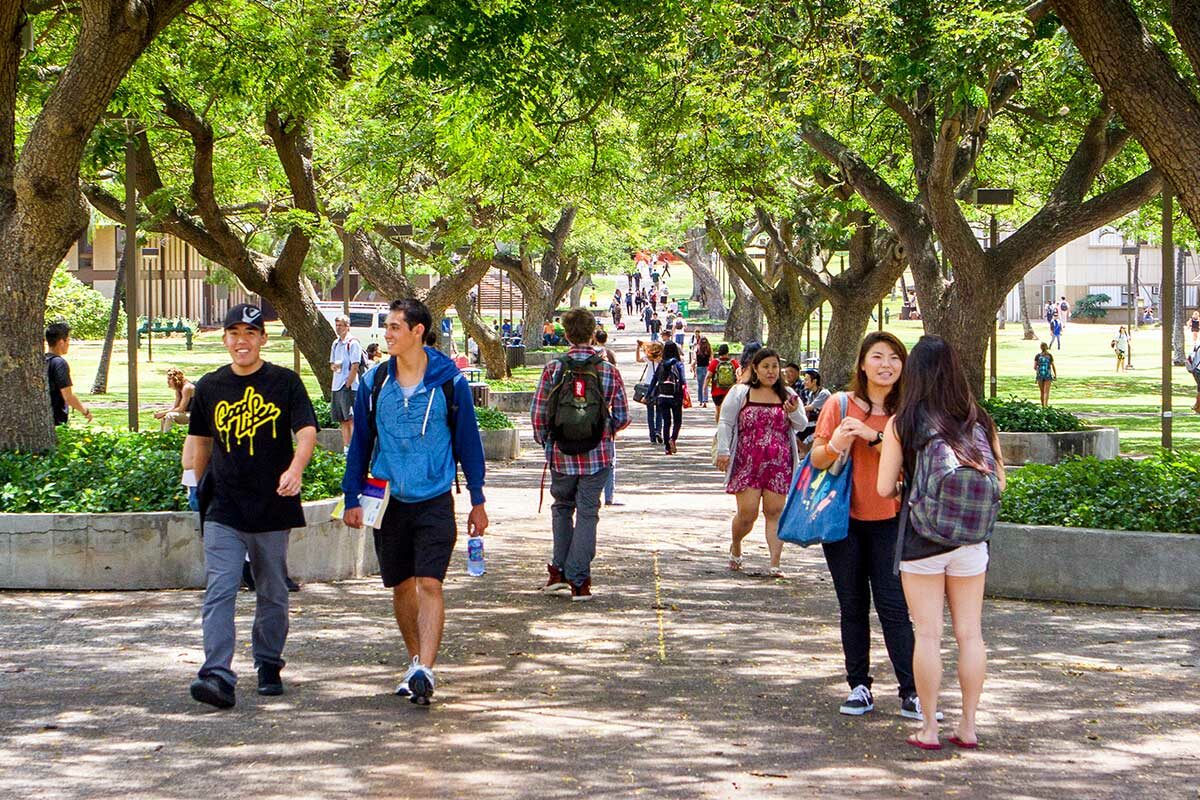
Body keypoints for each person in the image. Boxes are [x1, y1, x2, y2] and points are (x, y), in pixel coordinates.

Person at [342, 298, 489, 705]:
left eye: (394, 327)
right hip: (388, 499)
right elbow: (361, 445)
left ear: (417, 332)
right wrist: (351, 494)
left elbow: (469, 444)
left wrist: (477, 499)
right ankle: (413, 663)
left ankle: (426, 666)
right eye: (386, 327)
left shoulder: (448, 382)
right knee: (402, 585)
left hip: (435, 498)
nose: (386, 334)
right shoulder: (374, 384)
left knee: (430, 582)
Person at [877, 334, 1006, 751]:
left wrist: (909, 487)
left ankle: (929, 727)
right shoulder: (979, 419)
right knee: (971, 634)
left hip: (921, 540)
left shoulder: (904, 422)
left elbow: (883, 489)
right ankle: (968, 726)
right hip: (971, 541)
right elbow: (1000, 483)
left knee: (928, 634)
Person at [185, 304, 318, 709]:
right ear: (224, 338)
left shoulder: (285, 382)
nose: (241, 341)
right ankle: (217, 673)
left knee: (272, 590)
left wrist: (296, 469)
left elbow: (307, 431)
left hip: (272, 504)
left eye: (250, 332)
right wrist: (193, 485)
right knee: (220, 588)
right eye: (234, 333)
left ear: (262, 338)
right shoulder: (210, 386)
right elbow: (200, 442)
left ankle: (268, 663)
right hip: (224, 506)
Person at [811, 332, 924, 721]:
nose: (886, 365)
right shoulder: (839, 405)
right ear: (862, 363)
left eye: (894, 358)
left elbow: (916, 464)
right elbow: (818, 459)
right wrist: (838, 442)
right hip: (843, 521)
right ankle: (859, 685)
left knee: (895, 607)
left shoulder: (910, 411)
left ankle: (912, 691)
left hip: (892, 521)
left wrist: (875, 437)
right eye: (877, 356)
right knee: (853, 605)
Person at [531, 307, 630, 600]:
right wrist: (603, 429)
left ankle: (559, 571)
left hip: (560, 453)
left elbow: (538, 413)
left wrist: (547, 440)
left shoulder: (553, 368)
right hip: (597, 455)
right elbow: (622, 415)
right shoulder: (607, 370)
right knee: (588, 511)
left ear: (566, 333)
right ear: (592, 333)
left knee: (562, 507)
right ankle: (579, 579)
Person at [714, 348, 808, 577]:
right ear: (755, 369)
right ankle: (736, 544)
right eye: (766, 366)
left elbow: (802, 425)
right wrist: (724, 452)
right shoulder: (740, 393)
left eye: (775, 366)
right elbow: (725, 422)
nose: (771, 371)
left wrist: (794, 412)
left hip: (778, 462)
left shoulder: (787, 395)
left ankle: (775, 562)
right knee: (748, 514)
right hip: (747, 461)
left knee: (775, 512)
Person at [44, 322, 92, 426]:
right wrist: (85, 411)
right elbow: (68, 396)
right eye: (68, 341)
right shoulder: (59, 363)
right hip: (56, 420)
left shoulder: (42, 360)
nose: (68, 344)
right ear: (61, 342)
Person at [328, 314, 362, 451]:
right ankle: (346, 449)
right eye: (336, 325)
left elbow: (355, 365)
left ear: (347, 326)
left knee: (350, 418)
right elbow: (332, 363)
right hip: (336, 385)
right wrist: (334, 367)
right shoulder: (335, 343)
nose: (338, 328)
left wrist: (348, 383)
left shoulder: (353, 343)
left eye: (340, 325)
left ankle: (354, 449)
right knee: (342, 419)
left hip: (348, 386)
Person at [648, 341, 686, 455]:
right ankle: (673, 439)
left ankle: (667, 448)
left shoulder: (661, 364)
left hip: (662, 396)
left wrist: (649, 394)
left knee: (667, 422)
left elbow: (653, 381)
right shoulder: (678, 364)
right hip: (676, 396)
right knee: (677, 421)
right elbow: (683, 381)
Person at [636, 340, 664, 443]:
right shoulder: (662, 360)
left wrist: (638, 348)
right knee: (660, 411)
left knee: (650, 413)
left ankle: (652, 436)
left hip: (649, 386)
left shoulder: (649, 359)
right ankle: (658, 431)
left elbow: (638, 359)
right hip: (659, 386)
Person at [707, 344, 741, 422]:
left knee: (718, 411)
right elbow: (739, 375)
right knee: (729, 411)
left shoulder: (714, 362)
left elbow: (708, 376)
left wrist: (704, 388)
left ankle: (719, 429)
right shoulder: (733, 362)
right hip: (730, 391)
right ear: (727, 352)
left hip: (717, 391)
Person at [155, 368, 195, 432]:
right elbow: (175, 407)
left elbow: (181, 409)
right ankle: (161, 438)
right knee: (164, 417)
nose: (168, 382)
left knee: (170, 416)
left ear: (176, 379)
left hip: (195, 415)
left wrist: (163, 413)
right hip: (186, 413)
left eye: (169, 379)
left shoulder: (187, 388)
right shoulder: (178, 388)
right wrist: (163, 413)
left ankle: (167, 437)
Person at [693, 336, 713, 407]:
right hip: (707, 368)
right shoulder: (709, 348)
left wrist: (693, 367)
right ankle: (705, 400)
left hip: (699, 368)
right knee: (705, 385)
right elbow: (711, 359)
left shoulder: (697, 348)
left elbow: (695, 359)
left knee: (700, 385)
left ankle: (700, 400)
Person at [1034, 343, 1056, 407]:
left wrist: (1038, 370)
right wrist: (1055, 375)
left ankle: (1042, 406)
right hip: (1048, 375)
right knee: (1046, 392)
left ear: (1040, 348)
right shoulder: (1049, 356)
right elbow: (1053, 366)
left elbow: (1035, 367)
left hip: (1040, 375)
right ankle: (1046, 406)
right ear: (1047, 347)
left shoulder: (1037, 356)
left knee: (1042, 392)